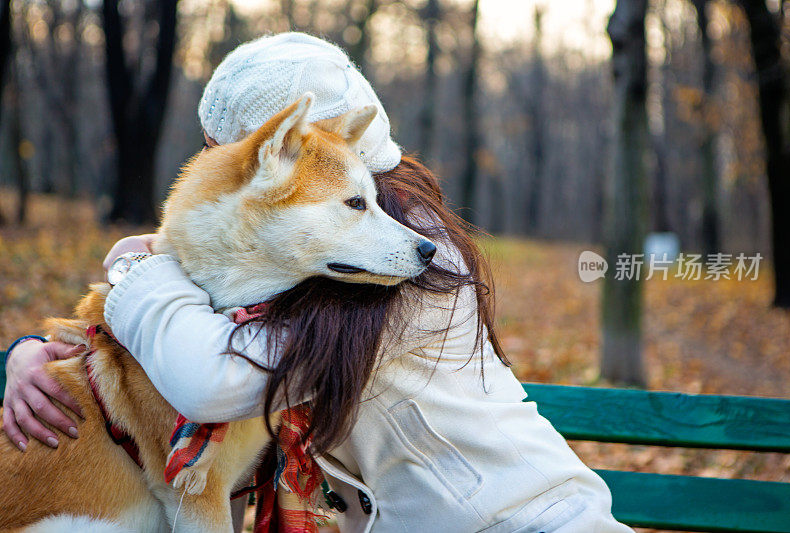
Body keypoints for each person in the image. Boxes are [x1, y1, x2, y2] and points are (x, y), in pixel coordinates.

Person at [3, 33, 632, 532]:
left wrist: (135, 268)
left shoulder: (395, 261)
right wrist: (28, 352)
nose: (215, 167)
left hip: (522, 524)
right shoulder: (308, 256)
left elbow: (209, 381)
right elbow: (156, 357)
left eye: (224, 147)